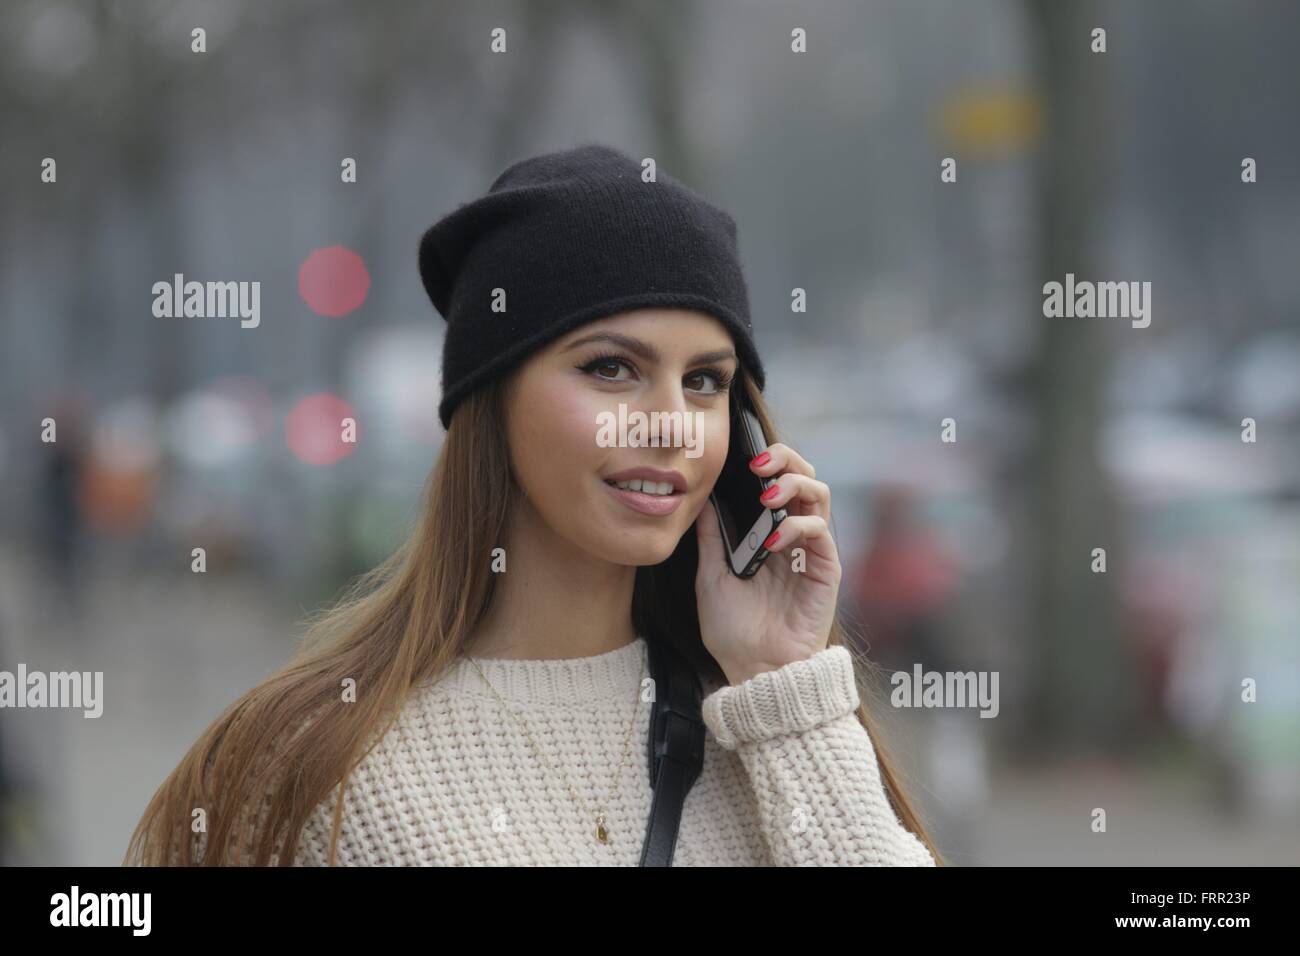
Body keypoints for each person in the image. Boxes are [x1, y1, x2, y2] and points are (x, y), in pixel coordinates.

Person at [125, 143, 940, 867]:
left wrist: (780, 681)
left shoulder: (768, 728)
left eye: (705, 382)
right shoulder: (314, 765)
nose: (672, 427)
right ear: (493, 398)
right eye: (611, 368)